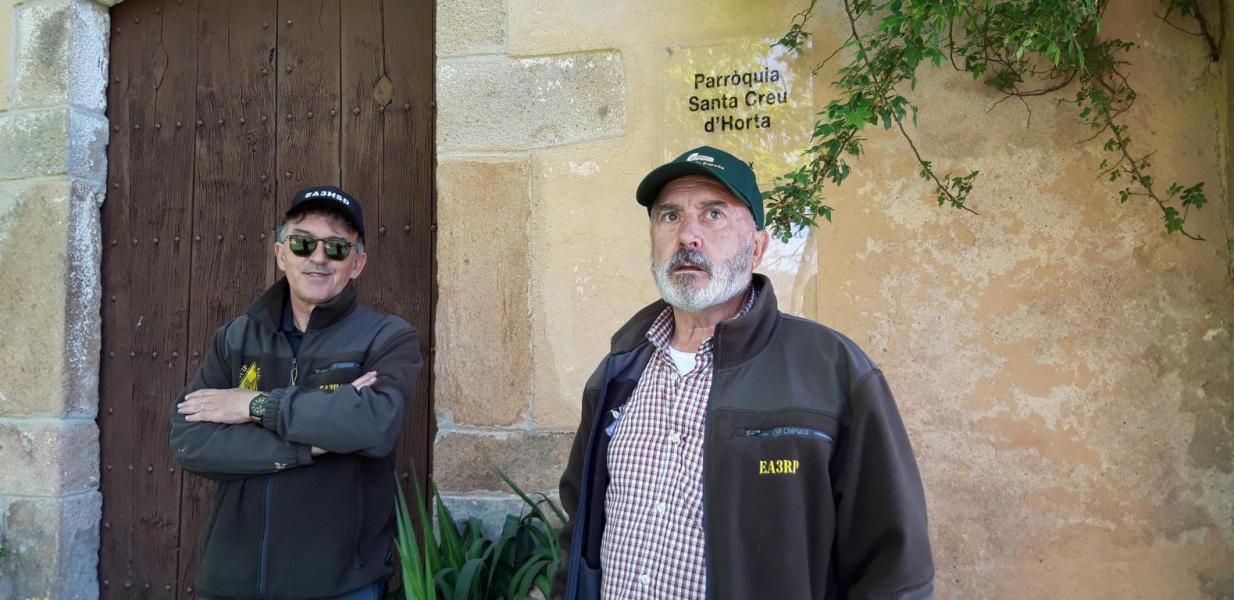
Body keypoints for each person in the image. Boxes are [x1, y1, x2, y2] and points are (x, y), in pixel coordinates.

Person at [552, 146, 935, 599]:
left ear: (757, 247)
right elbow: (579, 529)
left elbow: (895, 569)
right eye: (670, 216)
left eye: (713, 214)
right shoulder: (619, 371)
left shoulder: (833, 372)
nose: (688, 236)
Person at [169, 185, 422, 600]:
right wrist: (317, 442)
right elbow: (190, 441)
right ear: (281, 254)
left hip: (339, 584)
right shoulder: (236, 337)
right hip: (232, 581)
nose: (318, 257)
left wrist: (254, 406)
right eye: (303, 243)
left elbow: (374, 427)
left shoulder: (387, 338)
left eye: (336, 248)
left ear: (357, 264)